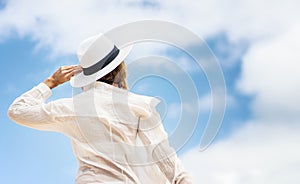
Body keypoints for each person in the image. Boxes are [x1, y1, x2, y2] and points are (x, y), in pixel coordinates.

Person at [8, 33, 192, 184]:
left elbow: (17, 111)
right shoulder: (140, 105)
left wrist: (50, 82)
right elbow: (165, 159)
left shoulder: (70, 107)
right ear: (121, 70)